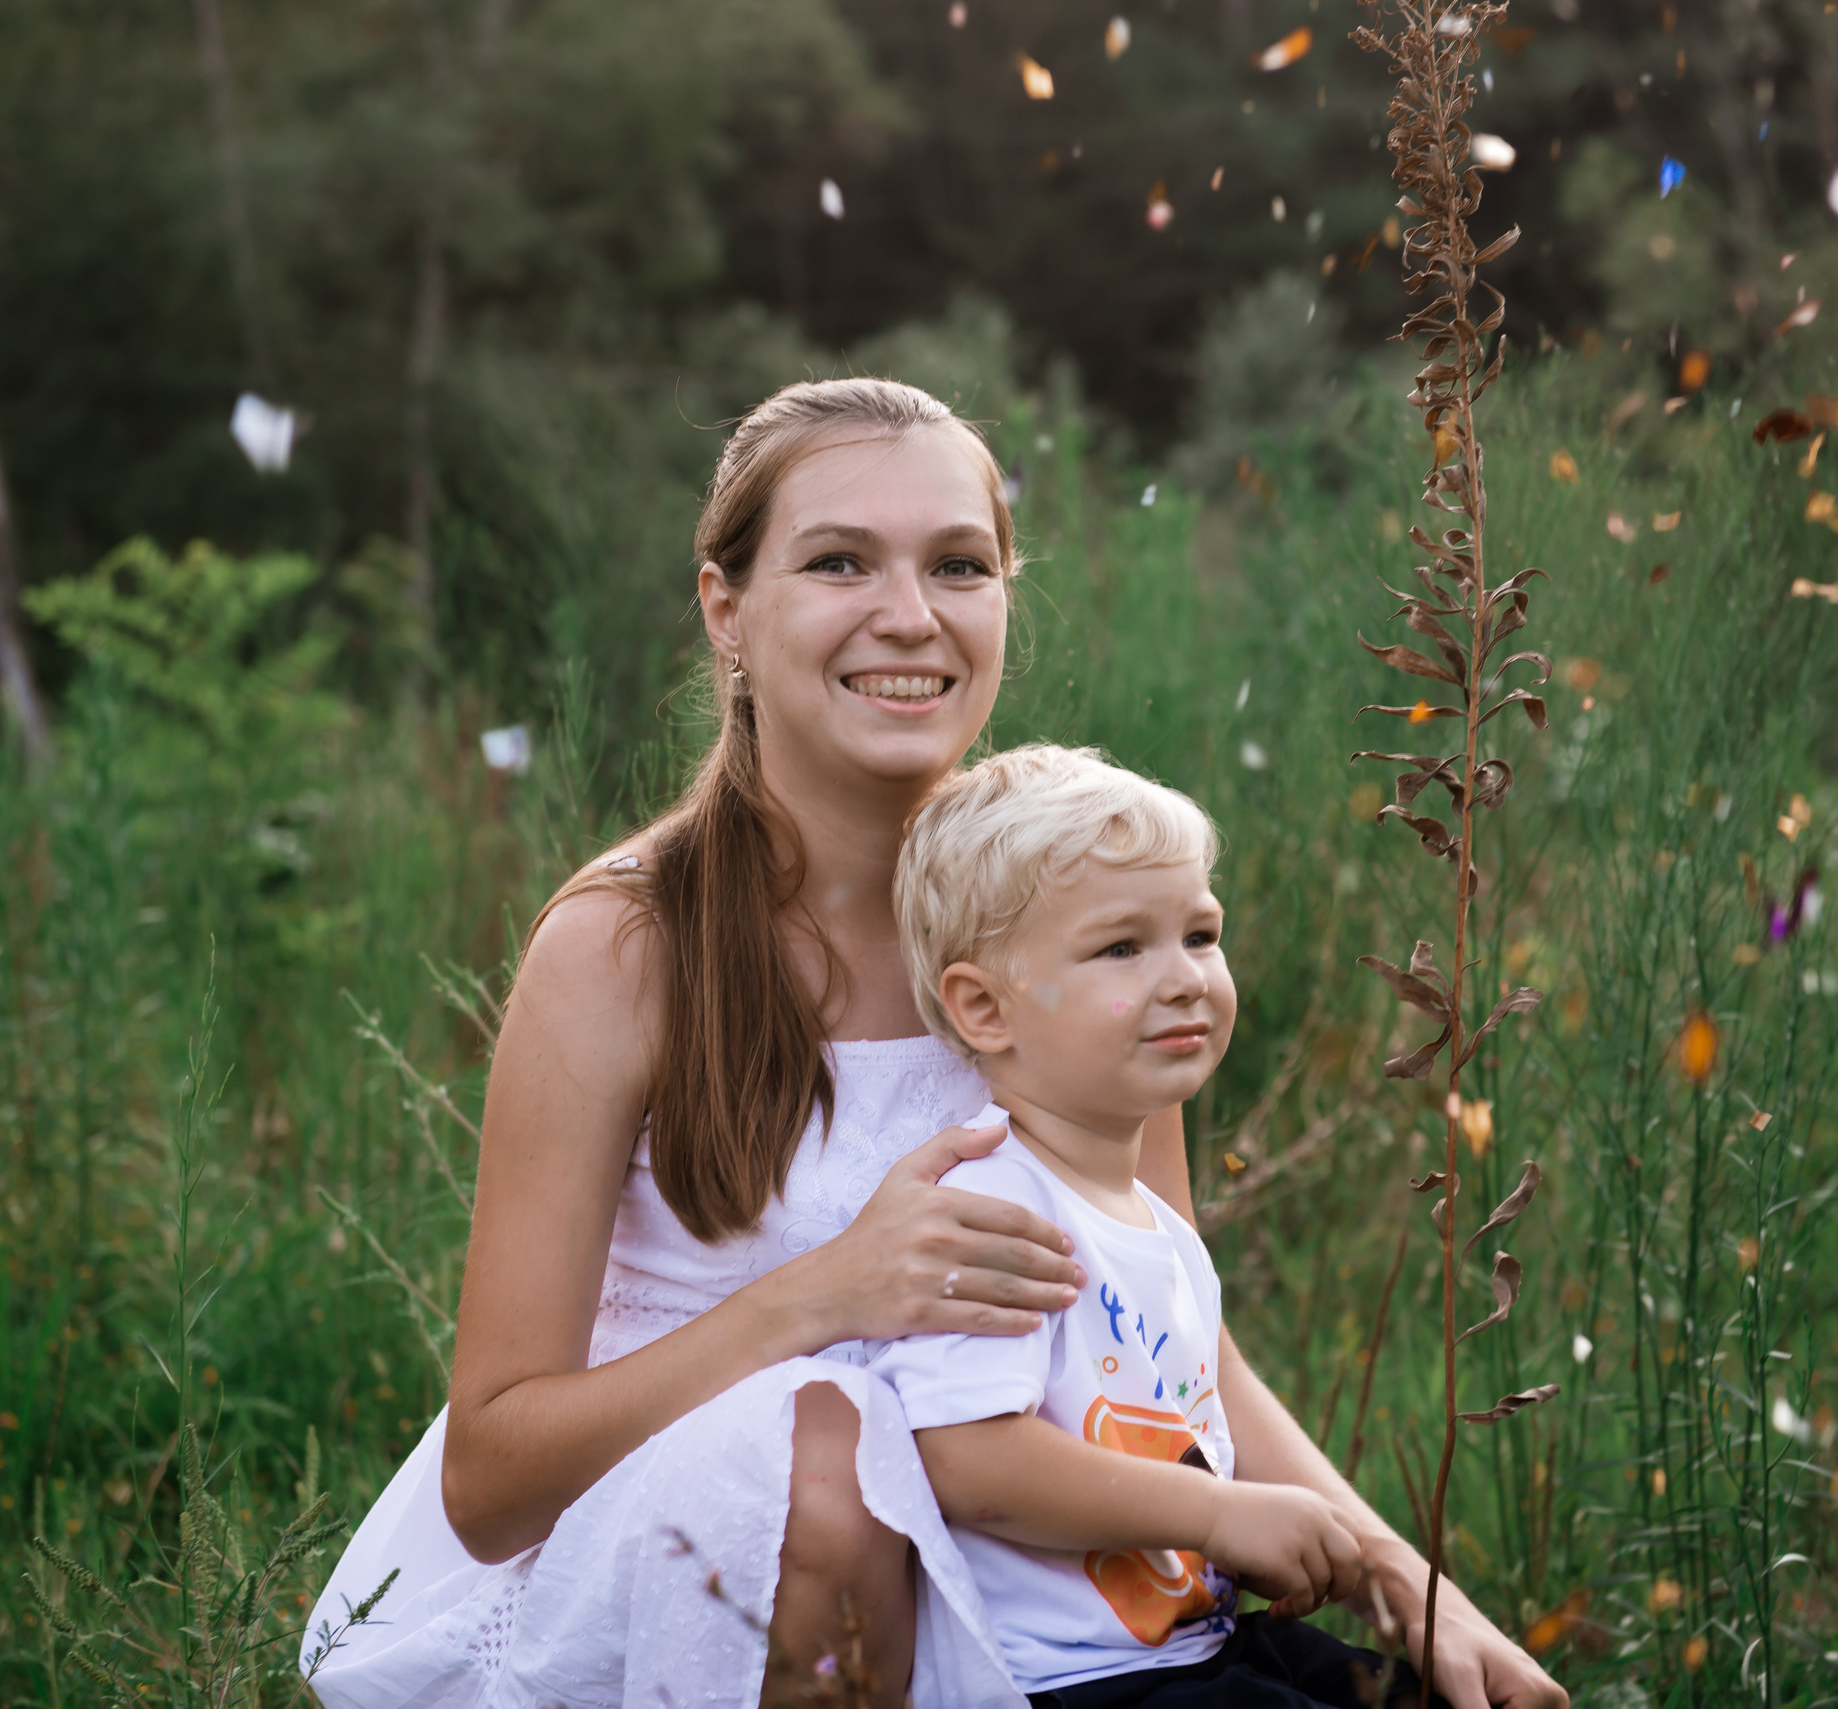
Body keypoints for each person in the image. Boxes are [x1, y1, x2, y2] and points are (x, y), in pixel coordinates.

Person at [299, 377, 1567, 1709]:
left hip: (1060, 1599)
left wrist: (1400, 1578)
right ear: (726, 609)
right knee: (824, 1470)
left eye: (959, 565)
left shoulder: (1084, 925)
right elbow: (493, 1479)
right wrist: (824, 1296)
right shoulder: (625, 948)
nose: (910, 615)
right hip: (703, 1561)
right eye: (839, 560)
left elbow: (1172, 1337)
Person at [871, 743, 1422, 1707]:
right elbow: (968, 1458)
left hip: (1192, 1643)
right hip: (1077, 1680)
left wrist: (1252, 1539)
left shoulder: (1155, 1222)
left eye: (1200, 935)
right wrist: (1218, 1513)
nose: (1183, 978)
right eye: (1123, 947)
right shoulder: (996, 1205)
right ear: (984, 1007)